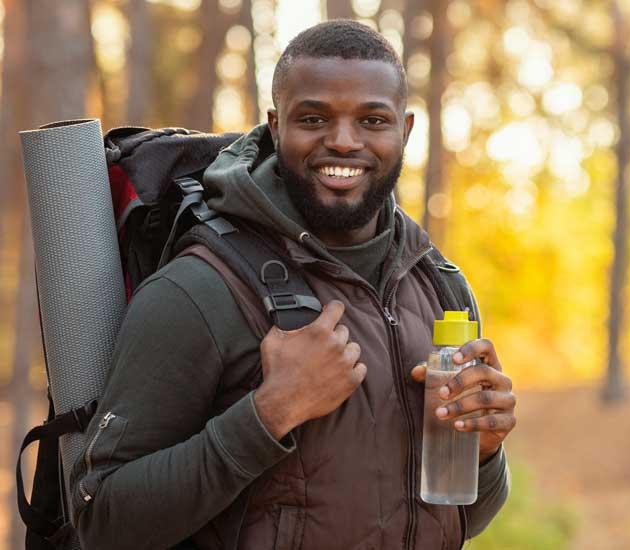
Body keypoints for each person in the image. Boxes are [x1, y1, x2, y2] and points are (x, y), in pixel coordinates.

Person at [70, 20, 515, 550]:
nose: (344, 141)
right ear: (276, 128)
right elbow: (101, 523)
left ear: (406, 130)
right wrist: (270, 413)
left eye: (372, 119)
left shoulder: (441, 287)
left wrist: (484, 453)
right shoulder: (200, 290)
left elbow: (456, 521)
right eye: (314, 118)